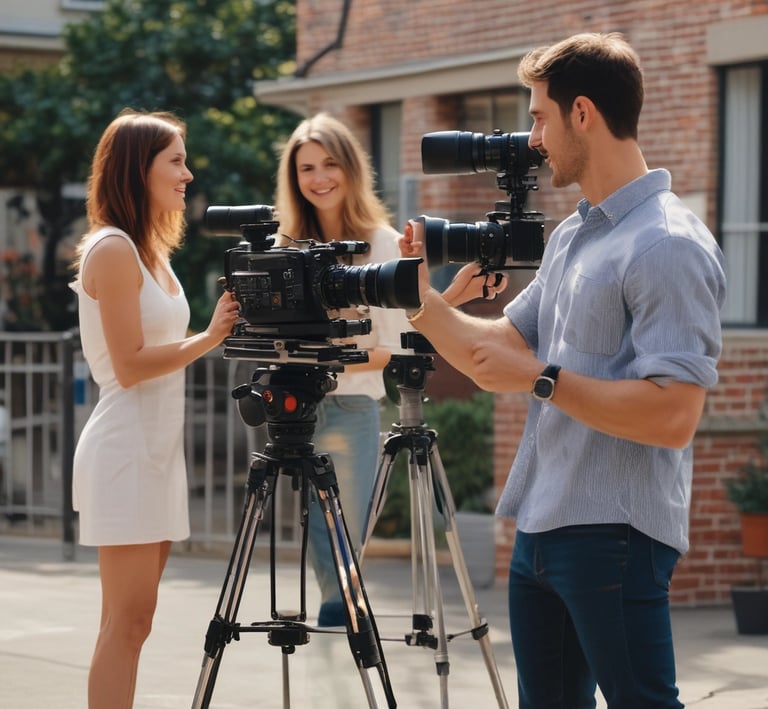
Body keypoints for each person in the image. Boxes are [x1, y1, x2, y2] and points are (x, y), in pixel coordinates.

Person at [399, 33, 726, 709]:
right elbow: (497, 353)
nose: (532, 139)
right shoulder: (575, 236)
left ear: (583, 113)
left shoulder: (667, 243)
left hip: (616, 534)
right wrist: (420, 302)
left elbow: (673, 416)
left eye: (539, 116)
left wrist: (542, 377)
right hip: (542, 529)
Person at [272, 112, 502, 627]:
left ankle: (344, 624)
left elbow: (395, 344)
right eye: (306, 168)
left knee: (343, 527)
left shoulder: (380, 243)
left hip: (351, 403)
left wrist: (328, 353)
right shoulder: (284, 247)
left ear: (351, 170)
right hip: (296, 403)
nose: (319, 178)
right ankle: (337, 628)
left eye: (330, 164)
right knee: (314, 529)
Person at [70, 109, 240, 709]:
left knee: (133, 623)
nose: (188, 174)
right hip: (123, 453)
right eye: (175, 161)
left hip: (156, 453)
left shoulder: (152, 253)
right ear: (137, 169)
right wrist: (210, 337)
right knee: (126, 623)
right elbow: (130, 364)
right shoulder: (113, 249)